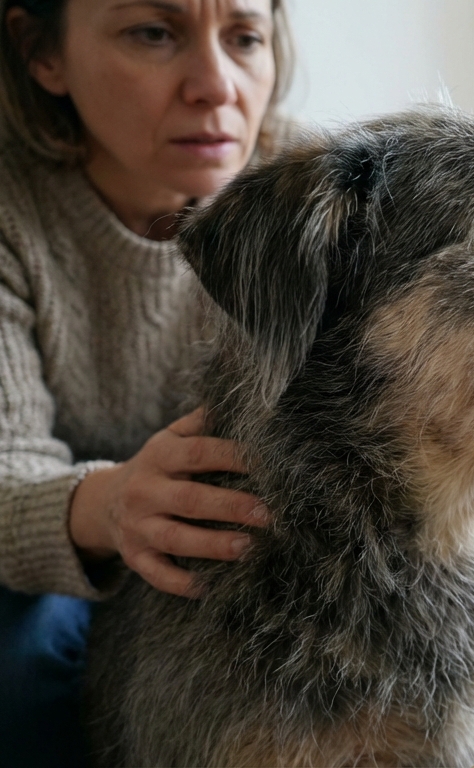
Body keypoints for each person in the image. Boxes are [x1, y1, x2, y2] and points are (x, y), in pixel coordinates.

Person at [0, 1, 292, 763]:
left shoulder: (306, 194)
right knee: (24, 665)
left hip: (228, 537)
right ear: (41, 53)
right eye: (153, 33)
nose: (215, 85)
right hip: (58, 546)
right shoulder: (12, 215)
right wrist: (112, 502)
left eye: (245, 38)